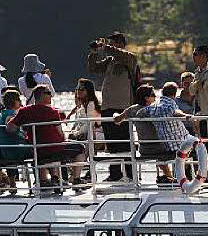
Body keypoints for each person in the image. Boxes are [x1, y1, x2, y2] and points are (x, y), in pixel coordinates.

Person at [114, 82, 196, 184]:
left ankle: (170, 177)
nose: (155, 97)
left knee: (161, 150)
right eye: (153, 95)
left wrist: (114, 114)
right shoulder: (155, 109)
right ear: (146, 98)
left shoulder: (131, 109)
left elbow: (117, 120)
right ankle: (182, 177)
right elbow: (174, 112)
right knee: (184, 147)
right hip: (160, 147)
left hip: (144, 148)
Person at [7, 85, 83, 191]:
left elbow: (10, 127)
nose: (51, 95)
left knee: (48, 152)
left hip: (37, 149)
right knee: (80, 148)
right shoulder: (52, 112)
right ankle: (76, 179)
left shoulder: (24, 111)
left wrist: (20, 128)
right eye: (48, 93)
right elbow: (60, 134)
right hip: (53, 149)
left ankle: (48, 179)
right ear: (41, 95)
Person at [88, 31, 140, 181]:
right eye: (110, 43)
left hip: (123, 106)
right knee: (111, 142)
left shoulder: (130, 58)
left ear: (122, 44)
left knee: (126, 141)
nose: (111, 46)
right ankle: (115, 173)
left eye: (114, 42)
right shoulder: (110, 60)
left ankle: (131, 174)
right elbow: (94, 68)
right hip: (108, 106)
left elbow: (118, 54)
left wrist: (106, 47)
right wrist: (94, 52)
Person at [65, 78, 103, 184]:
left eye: (81, 89)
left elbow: (90, 124)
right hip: (88, 134)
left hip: (96, 134)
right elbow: (81, 124)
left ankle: (76, 174)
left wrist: (77, 133)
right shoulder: (82, 105)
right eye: (77, 89)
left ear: (88, 91)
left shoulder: (91, 104)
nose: (78, 91)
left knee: (86, 141)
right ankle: (77, 173)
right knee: (73, 141)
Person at [0, 89, 29, 194]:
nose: (20, 102)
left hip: (5, 147)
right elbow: (10, 128)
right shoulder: (11, 114)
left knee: (11, 161)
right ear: (14, 101)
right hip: (16, 148)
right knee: (40, 150)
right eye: (18, 99)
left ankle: (12, 183)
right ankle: (44, 179)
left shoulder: (2, 113)